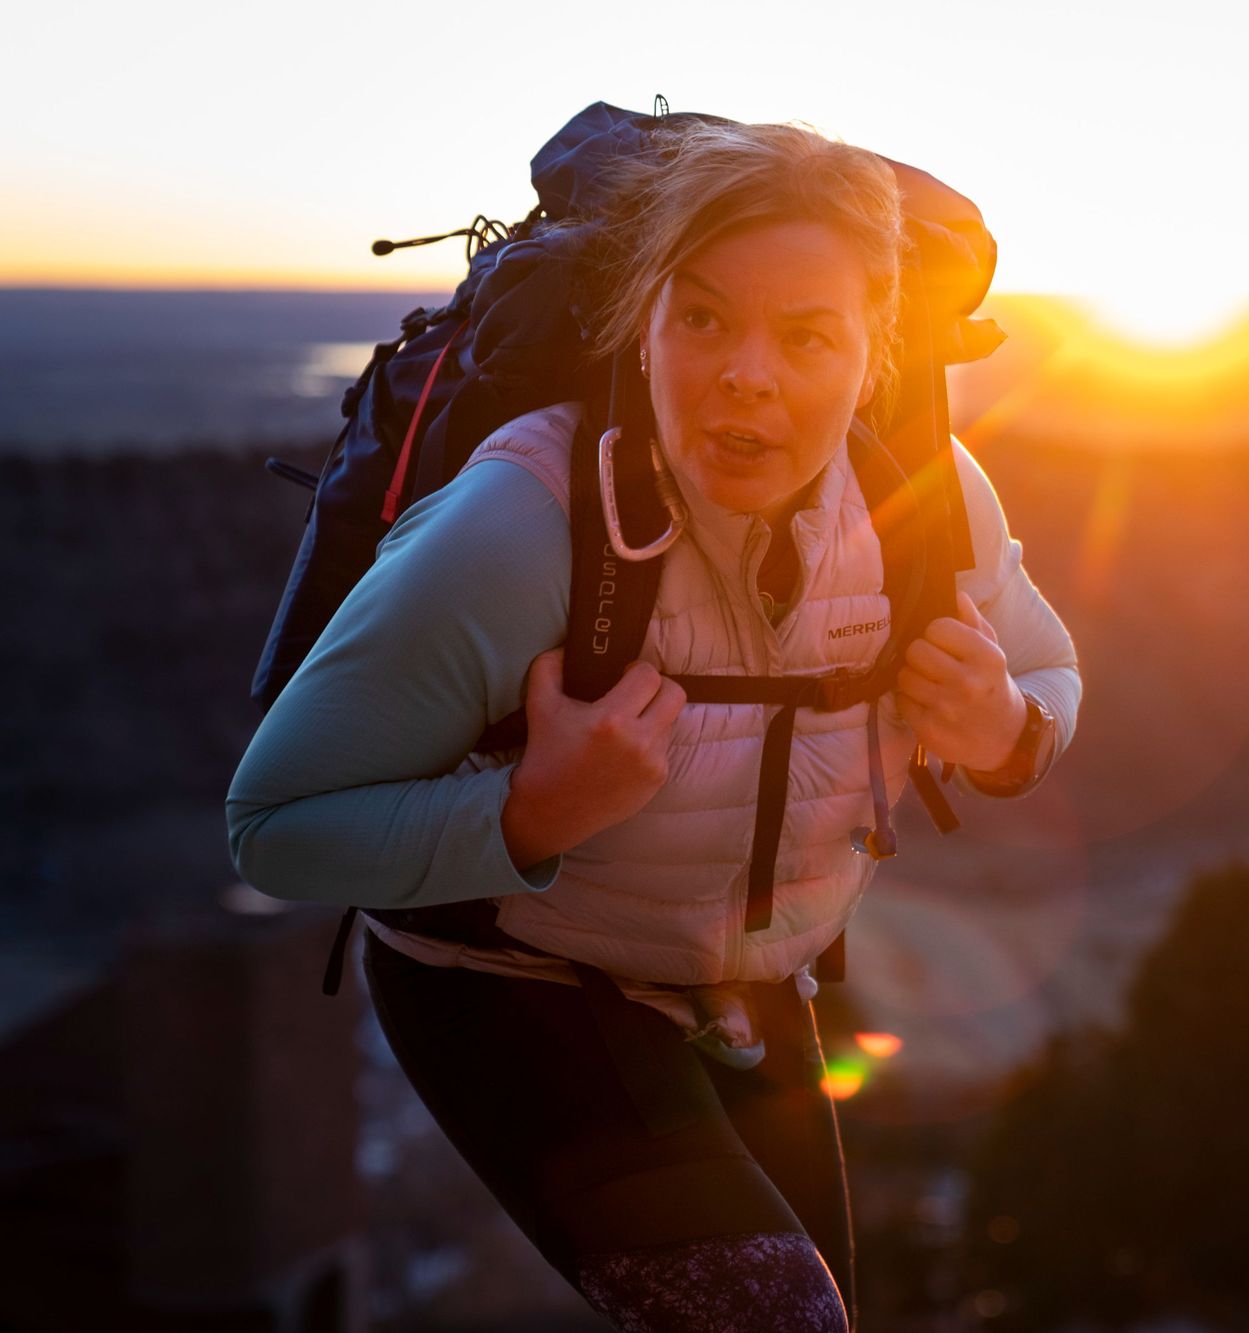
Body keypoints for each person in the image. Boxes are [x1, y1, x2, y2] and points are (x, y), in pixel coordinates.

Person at [226, 118, 1080, 1332]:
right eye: (702, 318)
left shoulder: (920, 504)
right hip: (509, 980)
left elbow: (1049, 673)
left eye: (806, 335)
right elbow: (271, 826)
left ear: (871, 350)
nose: (747, 372)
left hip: (746, 989)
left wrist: (1001, 727)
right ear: (643, 321)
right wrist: (527, 812)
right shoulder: (522, 529)